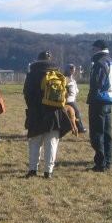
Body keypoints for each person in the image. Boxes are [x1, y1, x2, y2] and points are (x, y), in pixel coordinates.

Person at [23, 50, 72, 178]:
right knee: (52, 143)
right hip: (55, 113)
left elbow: (27, 93)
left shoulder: (32, 74)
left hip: (37, 112)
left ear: (37, 60)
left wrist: (32, 107)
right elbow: (66, 93)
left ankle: (33, 170)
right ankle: (48, 172)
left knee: (35, 142)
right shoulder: (58, 73)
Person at [87, 40, 112, 172]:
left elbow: (97, 83)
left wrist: (92, 98)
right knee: (107, 133)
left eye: (93, 48)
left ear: (99, 48)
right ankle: (108, 161)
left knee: (97, 133)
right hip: (109, 98)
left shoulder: (100, 63)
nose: (92, 51)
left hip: (98, 100)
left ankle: (100, 164)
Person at [64, 63, 86, 133]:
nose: (73, 70)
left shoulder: (72, 78)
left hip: (72, 99)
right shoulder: (65, 79)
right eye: (71, 69)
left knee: (74, 114)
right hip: (69, 100)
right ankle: (80, 129)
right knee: (76, 114)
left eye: (74, 69)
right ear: (68, 70)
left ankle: (72, 127)